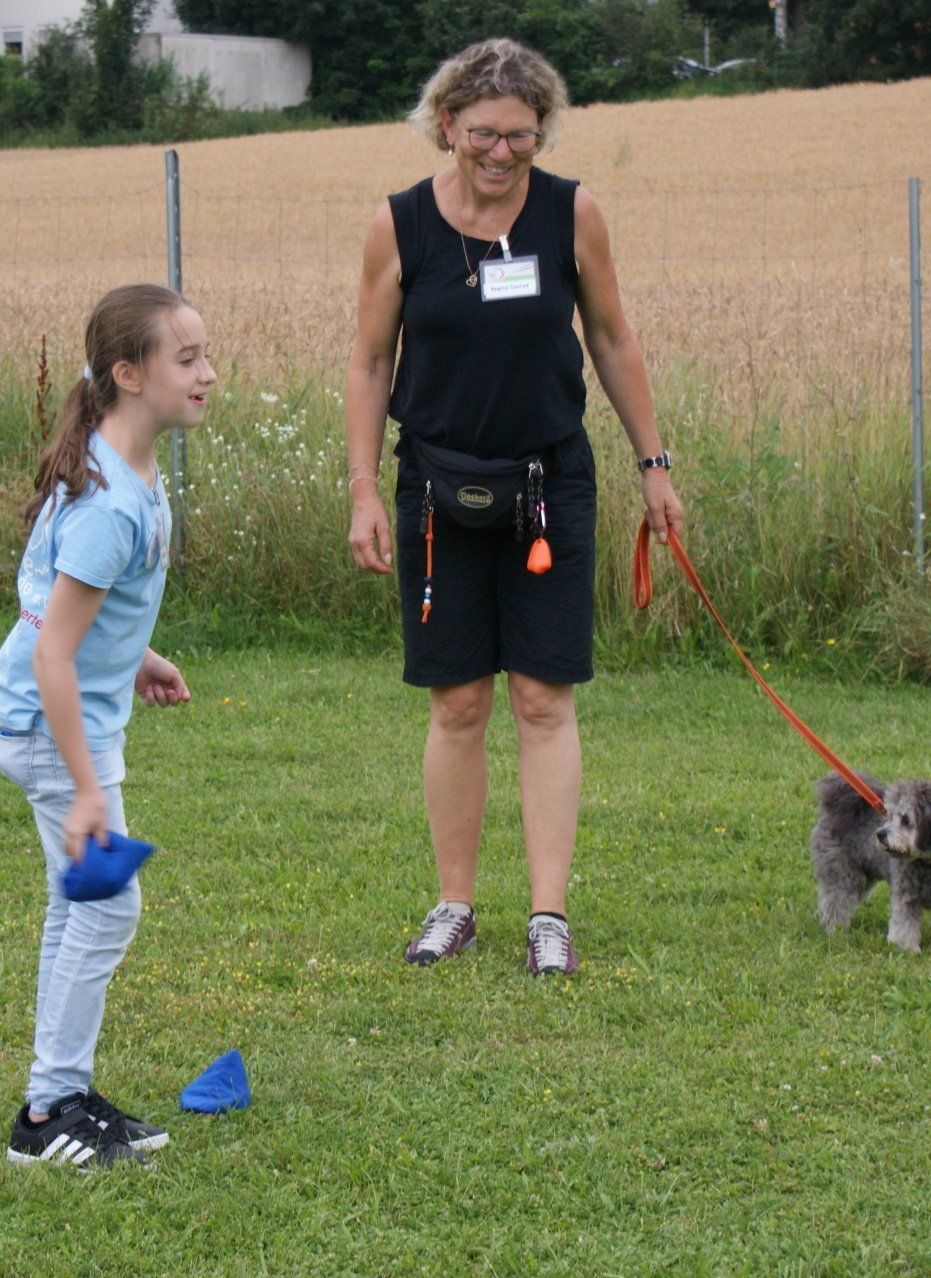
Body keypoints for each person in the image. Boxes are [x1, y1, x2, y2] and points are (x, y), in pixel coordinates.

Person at [343, 38, 685, 974]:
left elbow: (611, 339)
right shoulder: (399, 225)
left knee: (541, 698)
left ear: (543, 133)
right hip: (433, 490)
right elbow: (370, 363)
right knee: (458, 703)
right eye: (484, 134)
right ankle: (453, 904)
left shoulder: (573, 213)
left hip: (548, 485)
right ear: (447, 125)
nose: (501, 153)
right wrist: (364, 488)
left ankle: (548, 916)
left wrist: (653, 463)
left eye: (522, 136)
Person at [0, 283, 216, 1168]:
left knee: (78, 902)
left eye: (205, 354)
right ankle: (47, 1114)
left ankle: (59, 1095)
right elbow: (54, 653)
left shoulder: (125, 468)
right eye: (186, 359)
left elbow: (79, 617)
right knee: (109, 907)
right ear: (128, 374)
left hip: (63, 714)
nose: (207, 373)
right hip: (52, 728)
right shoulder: (109, 504)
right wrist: (86, 788)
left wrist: (137, 656)